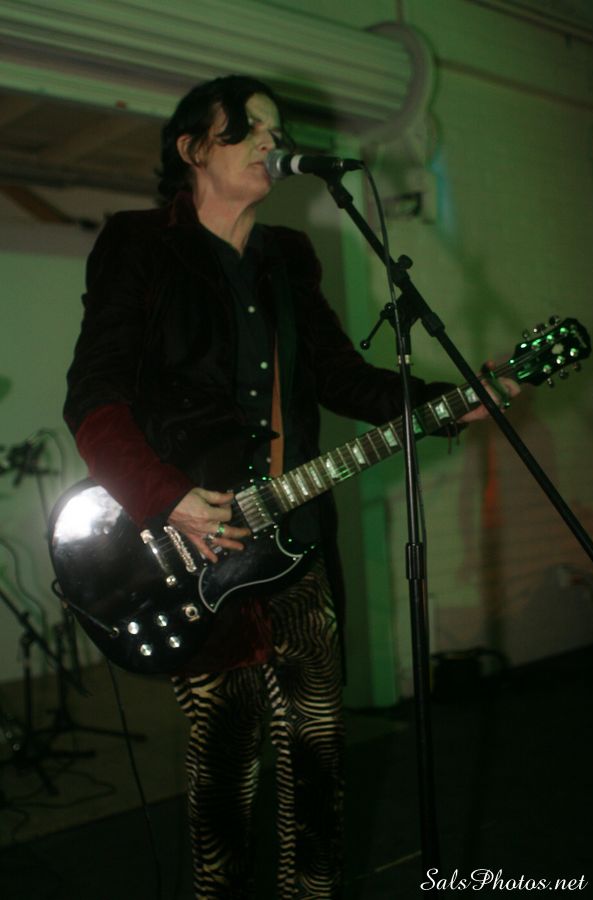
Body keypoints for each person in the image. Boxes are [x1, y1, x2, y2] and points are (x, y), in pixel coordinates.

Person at [63, 75, 517, 900]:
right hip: (201, 551)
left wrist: (453, 401)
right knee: (225, 767)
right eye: (248, 129)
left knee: (319, 757)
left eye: (276, 130)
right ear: (192, 149)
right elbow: (94, 399)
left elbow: (341, 377)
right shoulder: (140, 245)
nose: (272, 142)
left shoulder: (288, 257)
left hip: (298, 545)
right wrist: (165, 496)